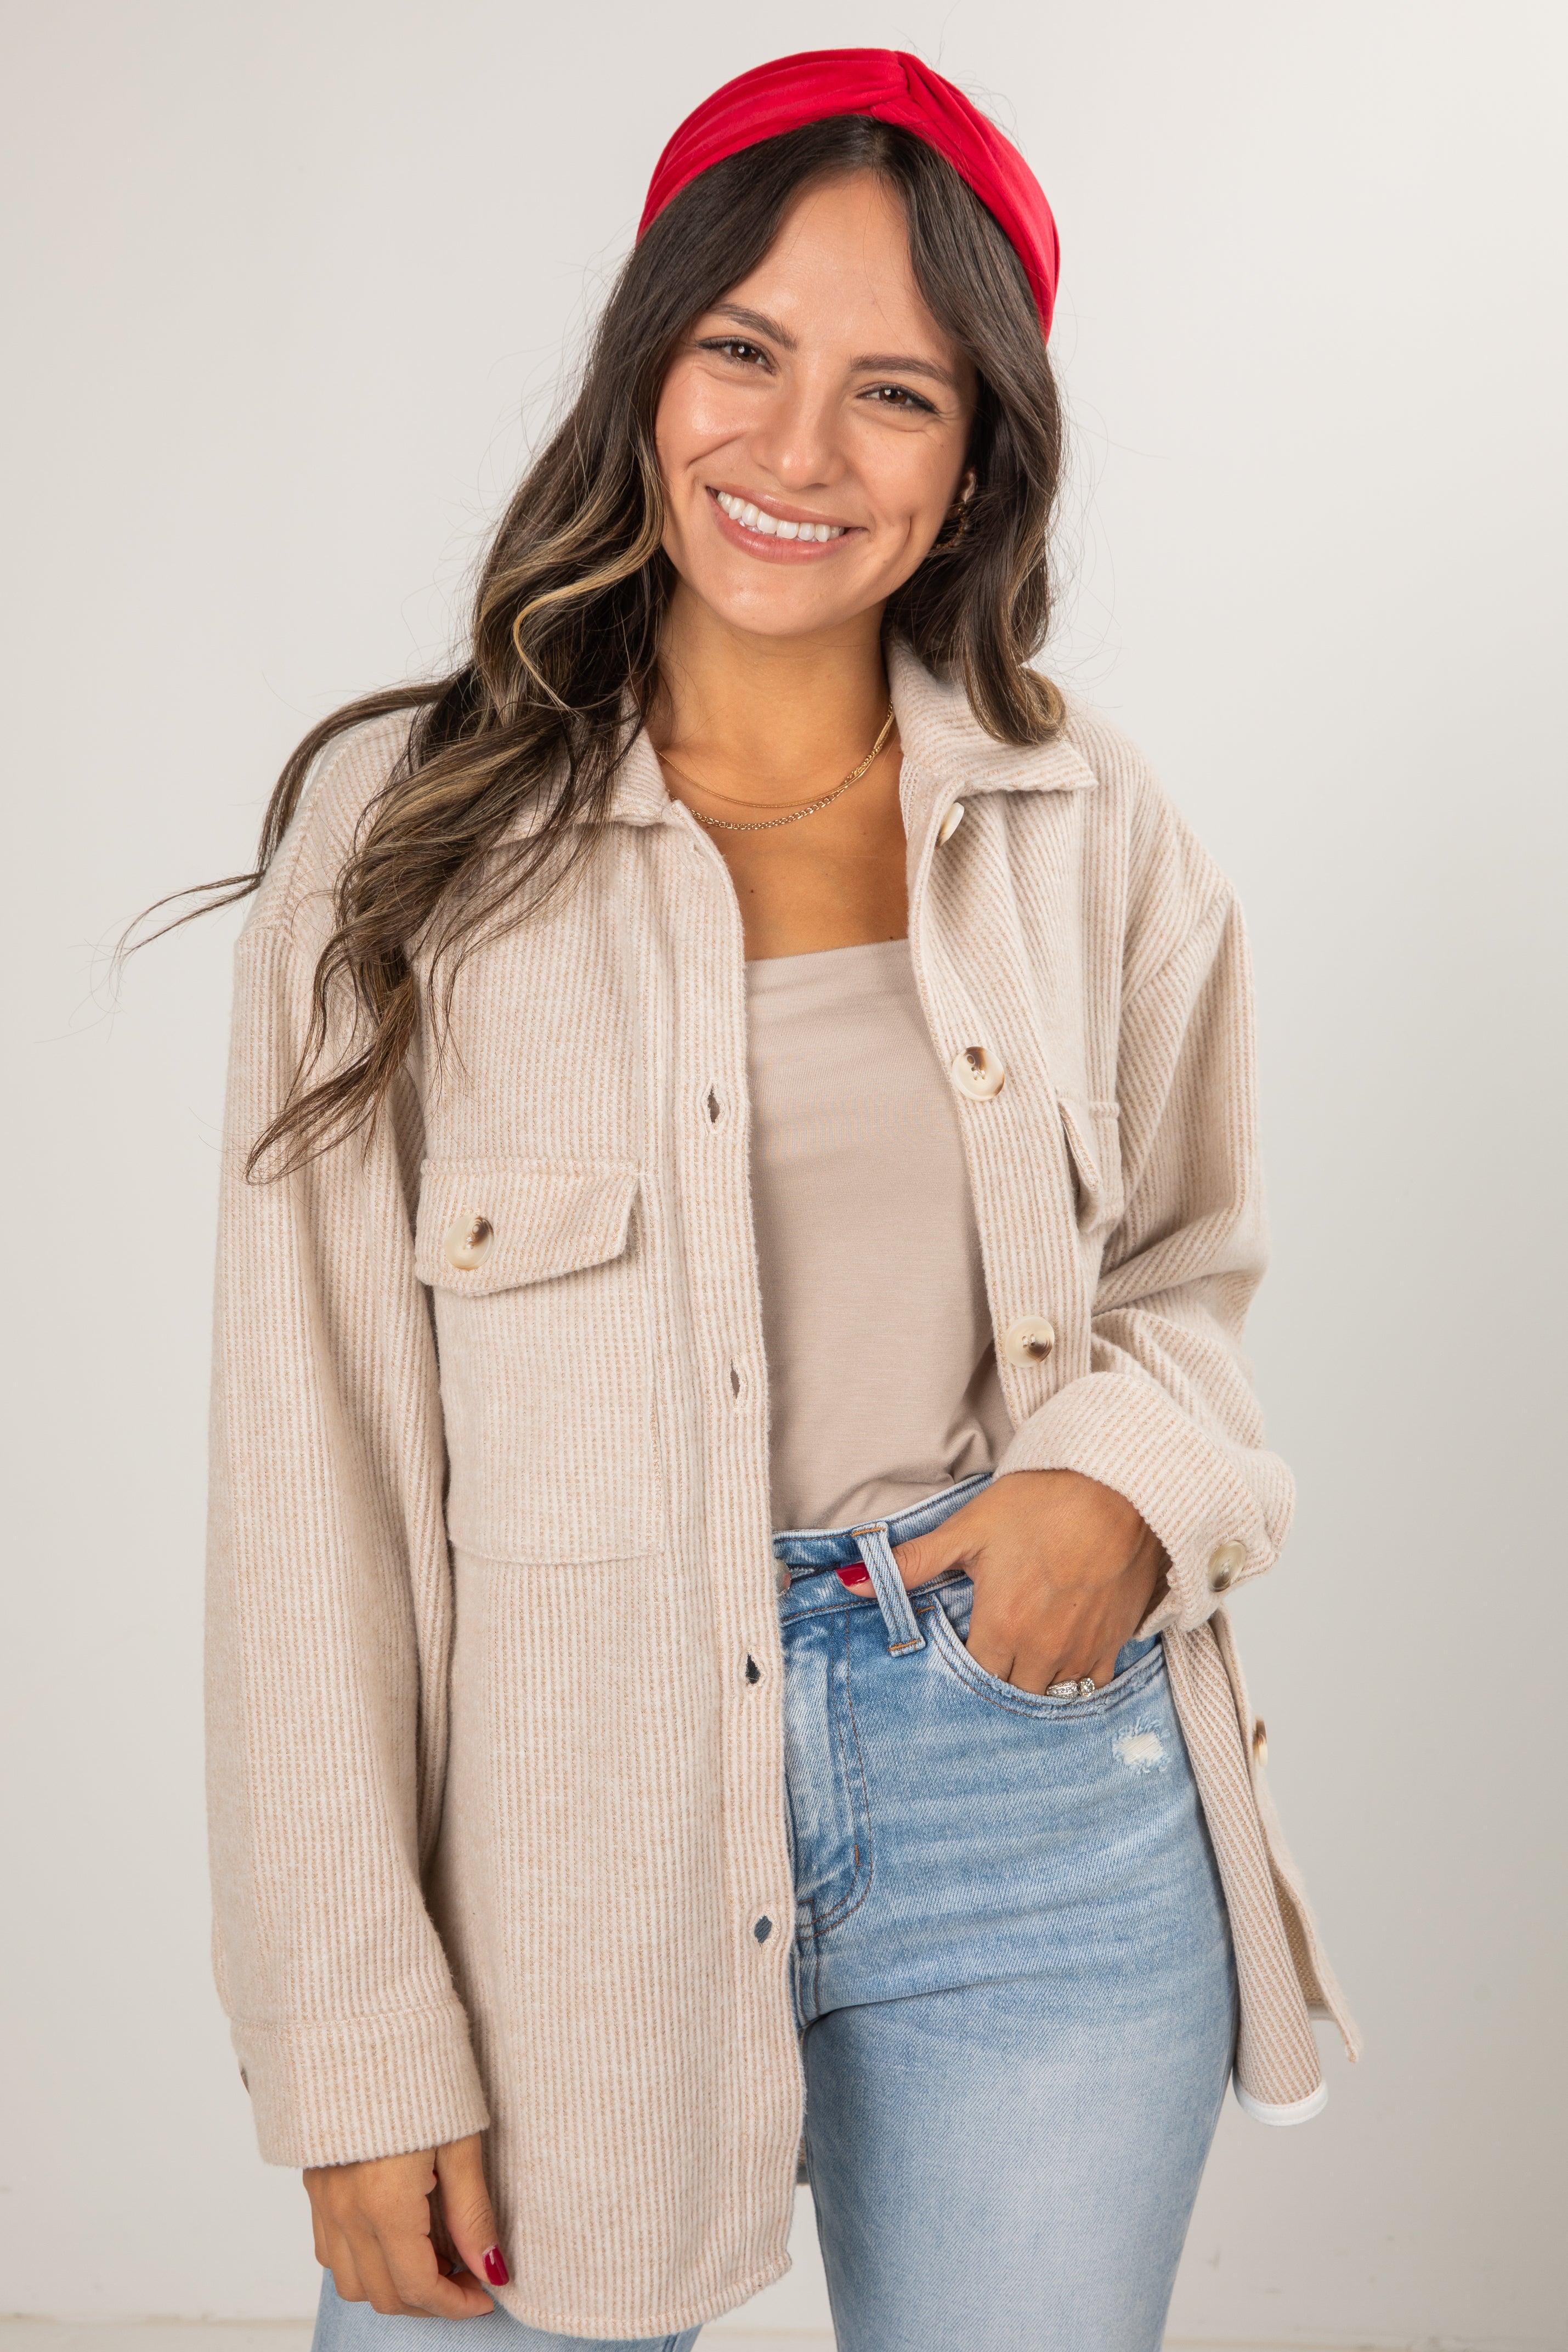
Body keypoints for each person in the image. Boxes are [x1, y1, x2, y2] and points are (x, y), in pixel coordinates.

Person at [200, 48, 1357, 2352]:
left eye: (894, 393)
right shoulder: (399, 833)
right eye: (742, 348)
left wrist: (1119, 1483)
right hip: (564, 1821)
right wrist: (349, 2035)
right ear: (650, 362)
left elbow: (1195, 1277)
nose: (796, 451)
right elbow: (301, 1474)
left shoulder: (1083, 823)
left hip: (1033, 1797)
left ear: (977, 455)